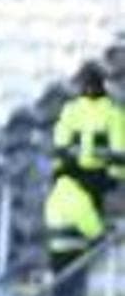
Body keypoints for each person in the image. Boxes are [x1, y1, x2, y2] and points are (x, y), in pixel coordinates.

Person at [45, 153, 106, 296]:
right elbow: (90, 225)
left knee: (58, 295)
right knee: (75, 295)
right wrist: (100, 234)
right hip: (74, 250)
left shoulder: (54, 195)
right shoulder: (79, 195)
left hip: (55, 251)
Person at [52, 63, 124, 202]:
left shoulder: (114, 112)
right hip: (76, 173)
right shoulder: (71, 110)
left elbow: (119, 146)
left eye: (94, 83)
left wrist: (116, 174)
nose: (90, 88)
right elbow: (61, 142)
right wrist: (61, 165)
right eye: (86, 83)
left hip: (103, 175)